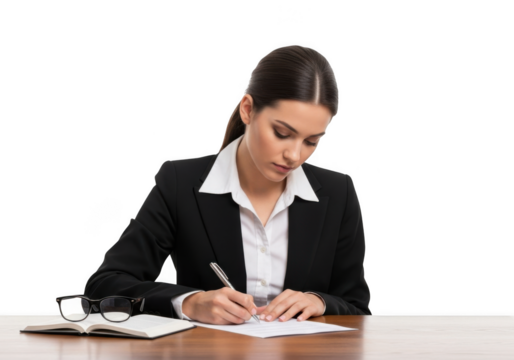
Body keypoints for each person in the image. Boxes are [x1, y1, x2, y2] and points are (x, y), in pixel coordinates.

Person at [84, 45, 371, 325]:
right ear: (248, 110)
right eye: (282, 133)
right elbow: (105, 285)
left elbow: (356, 306)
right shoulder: (180, 183)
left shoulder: (338, 193)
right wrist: (189, 302)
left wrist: (320, 302)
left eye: (312, 141)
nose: (295, 156)